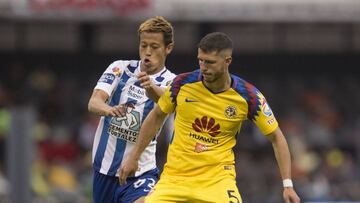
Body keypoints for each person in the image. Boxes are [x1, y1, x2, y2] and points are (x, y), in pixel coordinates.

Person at [119, 32, 301, 203]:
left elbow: (277, 137)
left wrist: (288, 185)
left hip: (218, 182)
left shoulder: (248, 96)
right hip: (175, 179)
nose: (203, 67)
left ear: (227, 61)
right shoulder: (182, 84)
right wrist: (134, 156)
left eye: (210, 62)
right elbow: (157, 115)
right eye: (200, 60)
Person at [88, 16, 176, 203]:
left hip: (140, 172)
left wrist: (151, 88)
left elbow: (166, 102)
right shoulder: (120, 68)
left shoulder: (172, 82)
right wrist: (109, 110)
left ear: (168, 48)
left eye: (154, 46)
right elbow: (94, 102)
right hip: (103, 171)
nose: (147, 52)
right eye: (144, 45)